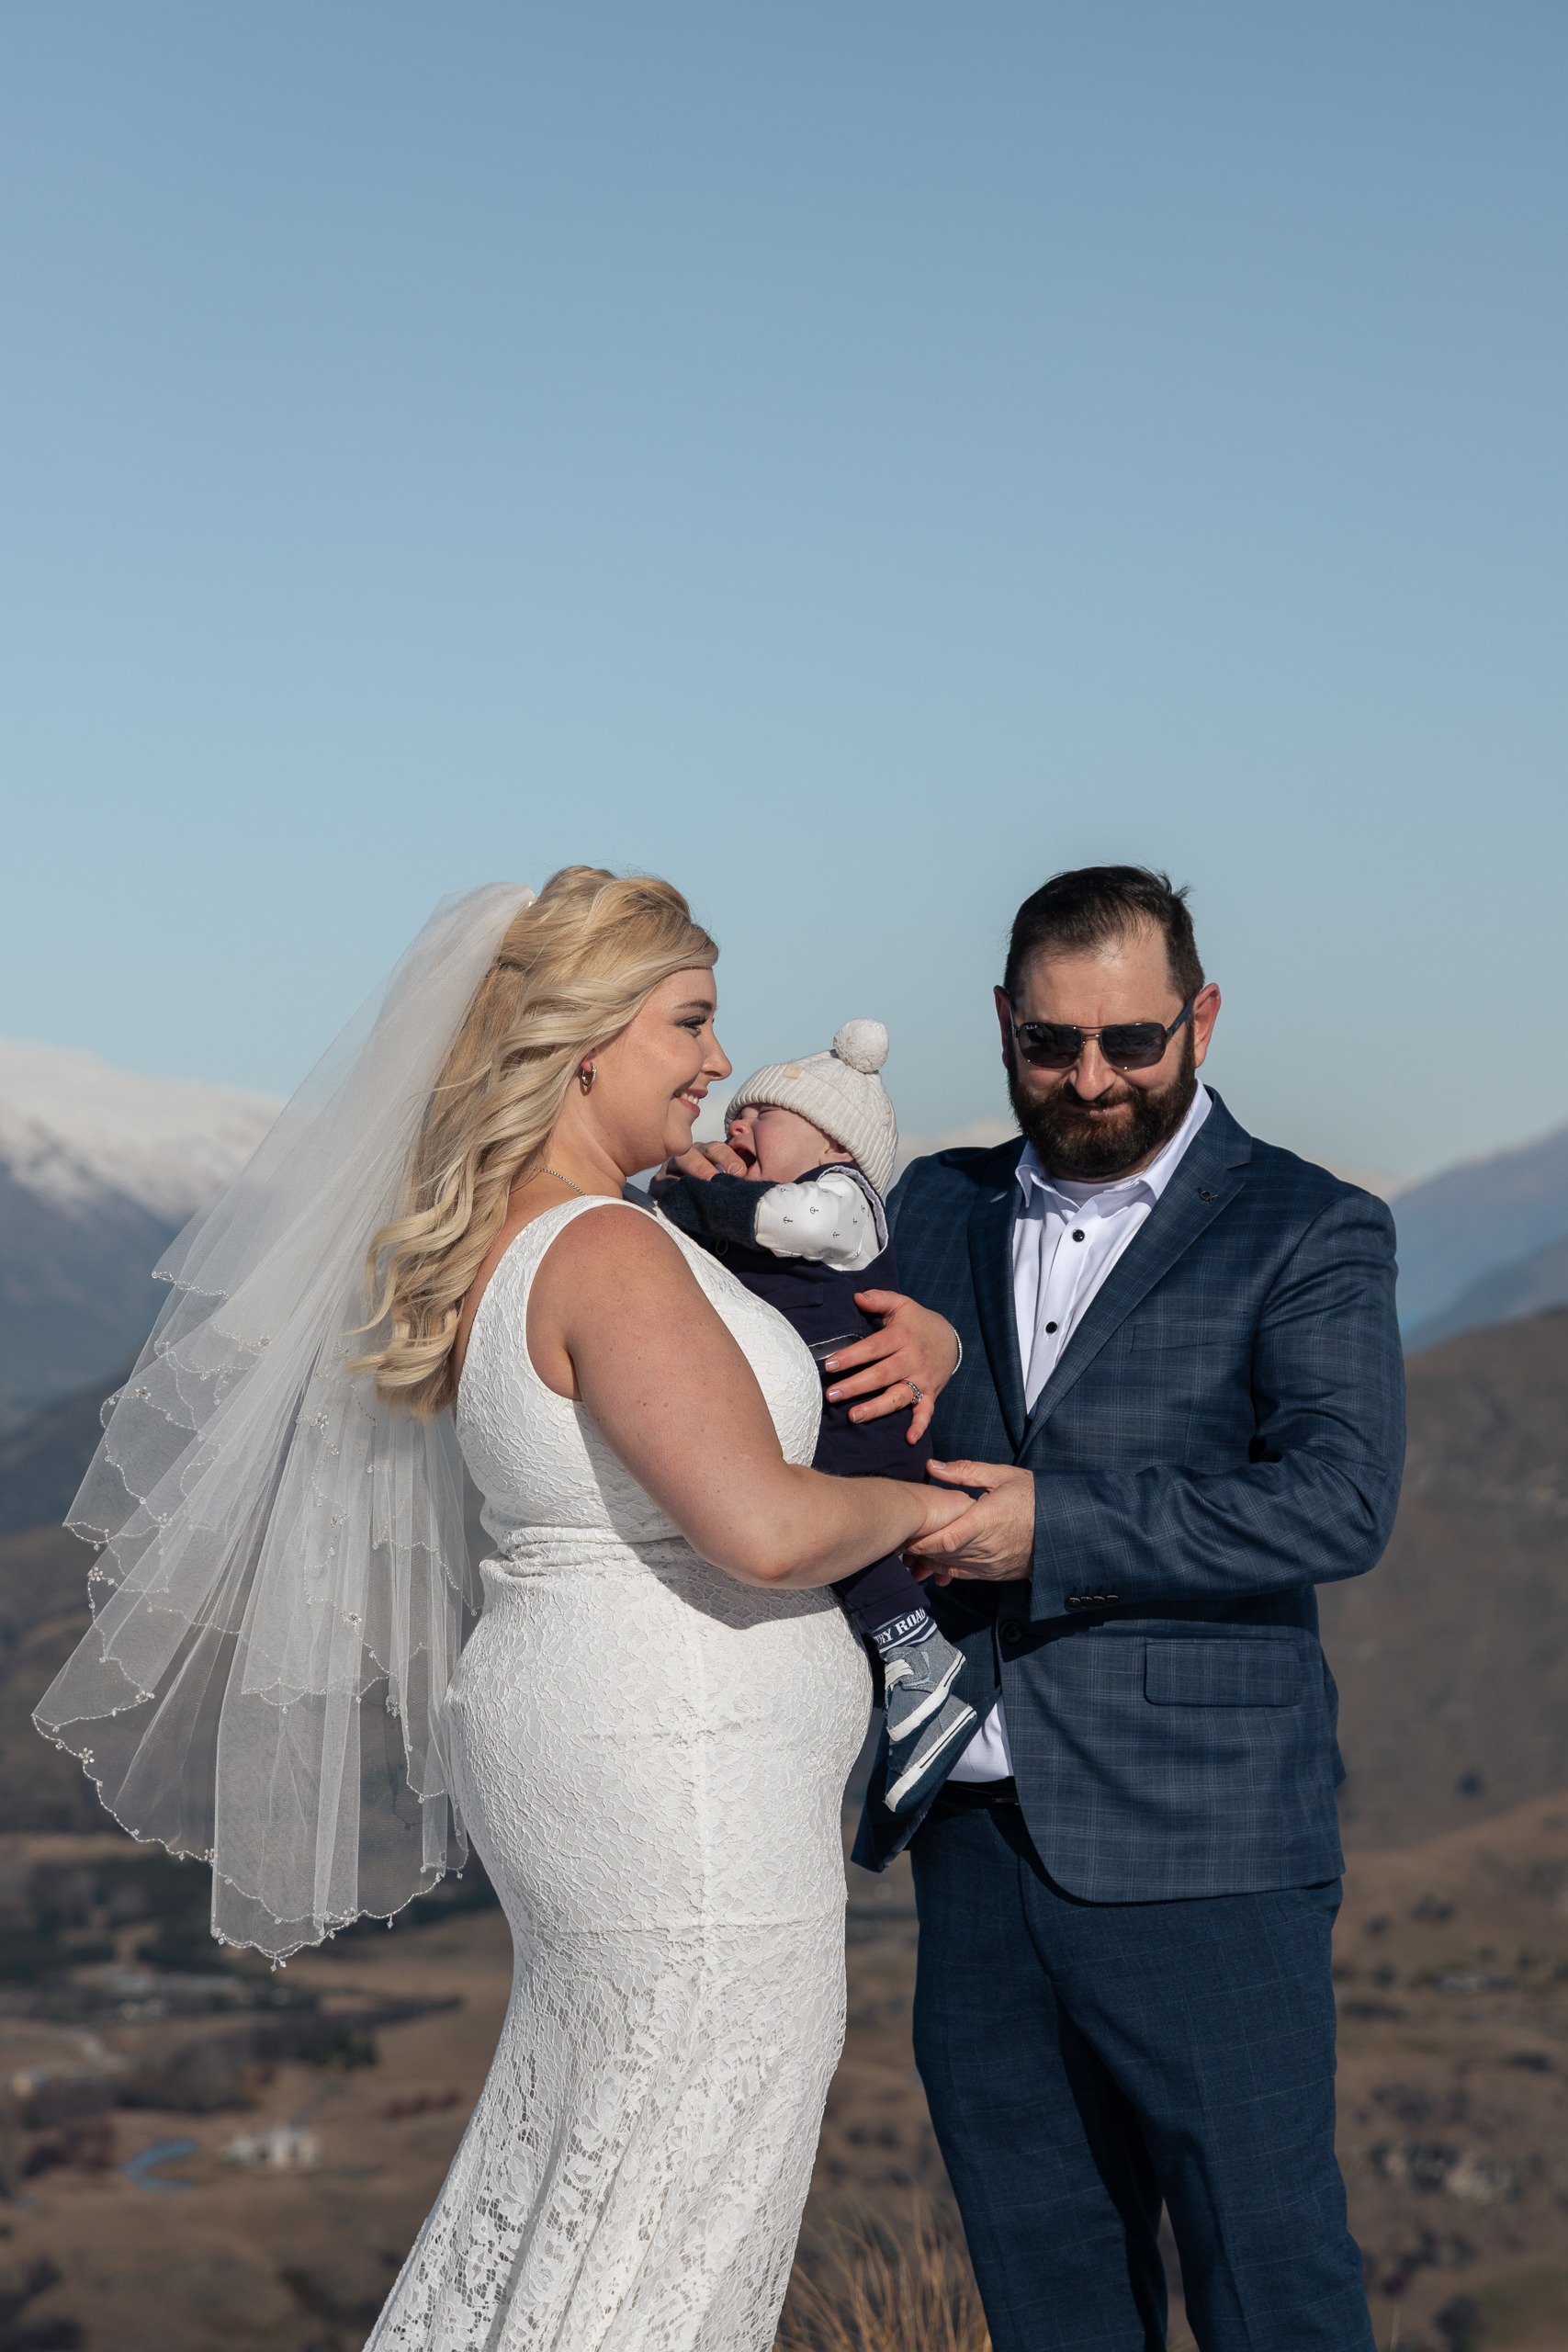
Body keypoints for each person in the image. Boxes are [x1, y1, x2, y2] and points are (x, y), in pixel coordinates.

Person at [36, 868, 969, 2352]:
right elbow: (759, 1525)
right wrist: (929, 1513)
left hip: (609, 1749)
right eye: (689, 1021)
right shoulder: (606, 1250)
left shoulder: (538, 1236)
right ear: (585, 1043)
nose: (719, 1060)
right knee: (676, 2198)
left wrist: (912, 1344)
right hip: (685, 1788)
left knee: (591, 2165)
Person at [853, 866, 1405, 2352]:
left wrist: (1052, 1529)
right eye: (1049, 1044)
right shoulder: (929, 1204)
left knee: (1270, 2285)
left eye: (1130, 1042)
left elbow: (1336, 1502)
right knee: (1046, 2295)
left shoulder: (1310, 1226)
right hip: (969, 1845)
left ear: (1199, 1021)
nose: (1090, 1079)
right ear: (1002, 1024)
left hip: (1206, 1849)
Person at [654, 1017, 978, 1813]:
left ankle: (919, 1658)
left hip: (857, 1413)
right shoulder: (770, 1211)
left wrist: (698, 1185)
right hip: (822, 1416)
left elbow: (784, 1220)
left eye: (761, 1115)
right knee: (824, 1532)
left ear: (834, 1139)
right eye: (734, 1114)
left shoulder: (845, 1201)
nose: (736, 1124)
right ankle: (905, 1670)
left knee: (831, 1521)